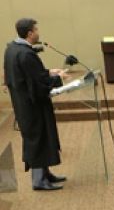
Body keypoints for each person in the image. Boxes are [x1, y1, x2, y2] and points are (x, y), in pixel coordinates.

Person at [3, 18, 69, 191]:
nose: (38, 33)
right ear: (30, 33)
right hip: (33, 105)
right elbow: (37, 83)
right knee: (38, 139)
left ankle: (45, 174)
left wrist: (49, 72)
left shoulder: (11, 49)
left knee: (40, 137)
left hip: (22, 104)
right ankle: (39, 180)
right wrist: (58, 78)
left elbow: (28, 74)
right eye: (36, 30)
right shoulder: (26, 54)